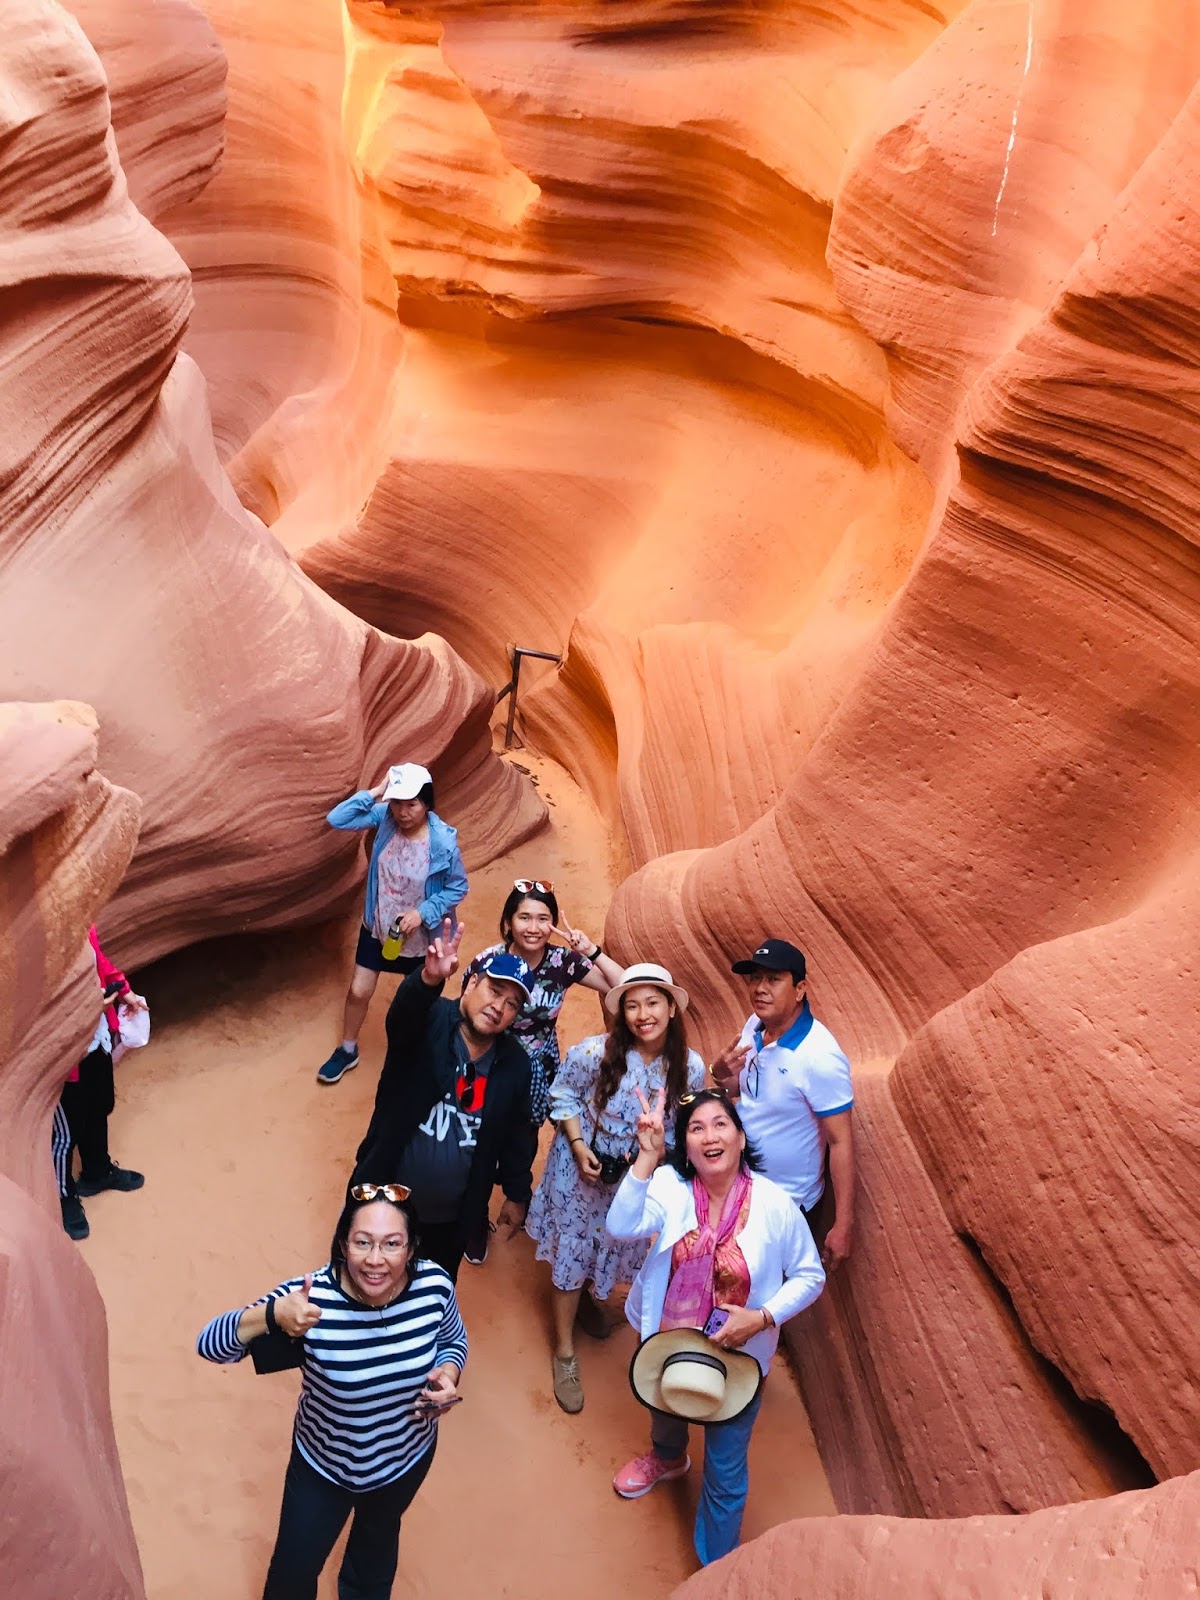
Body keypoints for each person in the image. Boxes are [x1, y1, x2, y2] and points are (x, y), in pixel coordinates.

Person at [197, 1184, 466, 1600]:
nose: (375, 1260)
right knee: (292, 1572)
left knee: (374, 1560)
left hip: (404, 1461)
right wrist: (271, 1315)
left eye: (392, 1244)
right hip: (323, 1468)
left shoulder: (434, 1286)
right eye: (362, 1242)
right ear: (343, 1244)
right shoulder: (310, 1299)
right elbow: (210, 1346)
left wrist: (449, 1374)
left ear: (411, 1248)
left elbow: (453, 1341)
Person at [608, 1087, 825, 1564]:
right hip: (669, 1340)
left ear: (742, 1138)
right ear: (685, 1145)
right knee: (666, 1409)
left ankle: (715, 1571)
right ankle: (668, 1459)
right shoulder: (669, 1185)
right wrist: (646, 1158)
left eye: (720, 1124)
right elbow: (621, 1224)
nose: (710, 1136)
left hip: (740, 1357)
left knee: (726, 1473)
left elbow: (811, 1275)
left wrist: (763, 1318)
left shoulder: (775, 1205)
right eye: (696, 1128)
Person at [525, 962, 705, 1413]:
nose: (643, 1014)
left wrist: (656, 1154)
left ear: (670, 1008)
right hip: (579, 1169)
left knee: (608, 1244)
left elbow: (683, 1132)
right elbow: (562, 1095)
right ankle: (565, 1351)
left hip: (633, 1179)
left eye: (652, 1003)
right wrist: (579, 1145)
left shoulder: (690, 1069)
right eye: (632, 1005)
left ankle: (587, 1301)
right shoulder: (595, 1053)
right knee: (572, 1251)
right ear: (621, 1012)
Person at [352, 919, 535, 1281]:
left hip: (450, 1221)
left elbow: (518, 1133)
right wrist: (428, 981)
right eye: (494, 991)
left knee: (431, 1294)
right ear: (470, 984)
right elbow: (400, 1018)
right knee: (364, 1285)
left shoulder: (515, 1064)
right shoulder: (430, 1020)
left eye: (512, 1004)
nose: (499, 1007)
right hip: (381, 1201)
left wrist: (516, 1192)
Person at [459, 878, 624, 1263]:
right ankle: (475, 1216)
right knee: (479, 1142)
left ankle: (518, 1197)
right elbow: (463, 1010)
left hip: (536, 1067)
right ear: (509, 921)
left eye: (543, 918)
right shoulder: (489, 961)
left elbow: (622, 988)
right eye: (524, 917)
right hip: (490, 1062)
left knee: (522, 1138)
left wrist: (591, 951)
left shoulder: (561, 962)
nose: (533, 927)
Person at [317, 763, 468, 1086]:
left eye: (411, 804)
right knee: (359, 990)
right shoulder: (385, 818)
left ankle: (414, 1056)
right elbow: (337, 819)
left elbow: (458, 887)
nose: (402, 812)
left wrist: (423, 912)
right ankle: (347, 1049)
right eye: (397, 803)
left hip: (419, 936)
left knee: (417, 1001)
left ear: (427, 803)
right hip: (380, 926)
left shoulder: (442, 842)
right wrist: (375, 792)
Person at [710, 937, 855, 1268]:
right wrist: (720, 1073)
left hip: (784, 1201)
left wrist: (843, 1225)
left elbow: (841, 1141)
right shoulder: (754, 1027)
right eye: (755, 978)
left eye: (773, 979)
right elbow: (741, 1091)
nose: (760, 988)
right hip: (739, 1183)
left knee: (755, 1290)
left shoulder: (819, 1055)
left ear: (800, 988)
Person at [57, 925, 147, 1241]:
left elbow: (98, 961)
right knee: (64, 1134)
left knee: (98, 1106)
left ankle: (97, 1171)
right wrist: (87, 1005)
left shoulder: (81, 922)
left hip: (95, 1037)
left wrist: (125, 992)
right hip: (63, 1052)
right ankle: (64, 1197)